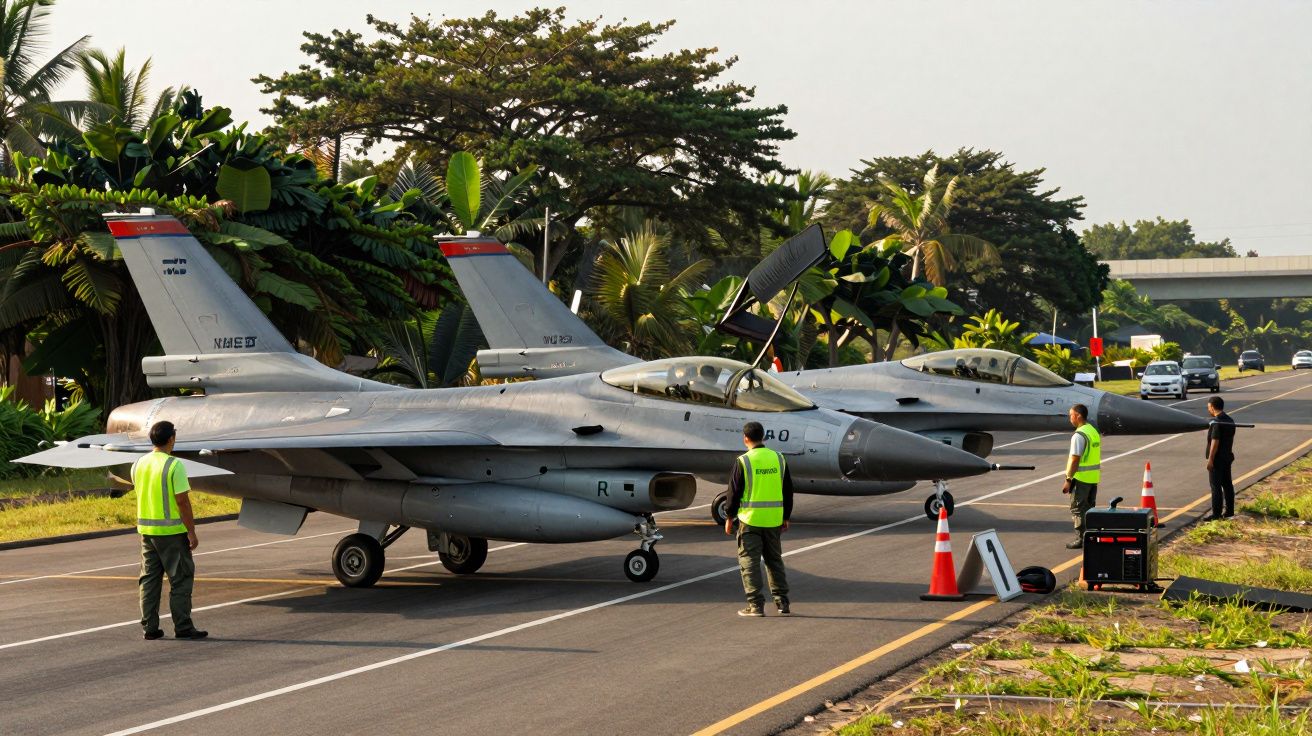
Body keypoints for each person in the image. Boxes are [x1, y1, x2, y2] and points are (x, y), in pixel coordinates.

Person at [134, 421, 207, 640]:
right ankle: (183, 626)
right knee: (181, 579)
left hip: (147, 532)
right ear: (171, 439)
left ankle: (150, 628)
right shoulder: (174, 465)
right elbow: (182, 501)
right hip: (172, 533)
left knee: (149, 580)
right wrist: (191, 531)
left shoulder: (138, 463)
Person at [723, 421, 793, 617]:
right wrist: (786, 516)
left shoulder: (743, 461)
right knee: (774, 561)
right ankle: (782, 602)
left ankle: (755, 605)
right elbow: (787, 490)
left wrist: (729, 517)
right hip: (773, 520)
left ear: (745, 438)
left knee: (749, 562)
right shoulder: (778, 459)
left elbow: (734, 492)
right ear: (764, 437)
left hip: (750, 520)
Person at [1061, 403, 1101, 549]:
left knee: (1077, 509)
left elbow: (1075, 459)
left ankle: (1081, 539)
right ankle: (1091, 536)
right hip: (1093, 477)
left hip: (1081, 478)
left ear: (1078, 416)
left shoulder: (1079, 435)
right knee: (1089, 508)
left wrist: (1068, 479)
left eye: (1071, 415)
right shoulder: (1092, 431)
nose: (1070, 418)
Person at [1206, 396, 1236, 519]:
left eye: (1208, 407)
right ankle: (1229, 511)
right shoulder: (1230, 420)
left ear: (1212, 407)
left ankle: (1216, 514)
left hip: (1217, 459)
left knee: (1215, 486)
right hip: (1227, 456)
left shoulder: (1216, 422)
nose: (1208, 409)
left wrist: (1211, 459)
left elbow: (1215, 441)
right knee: (1227, 485)